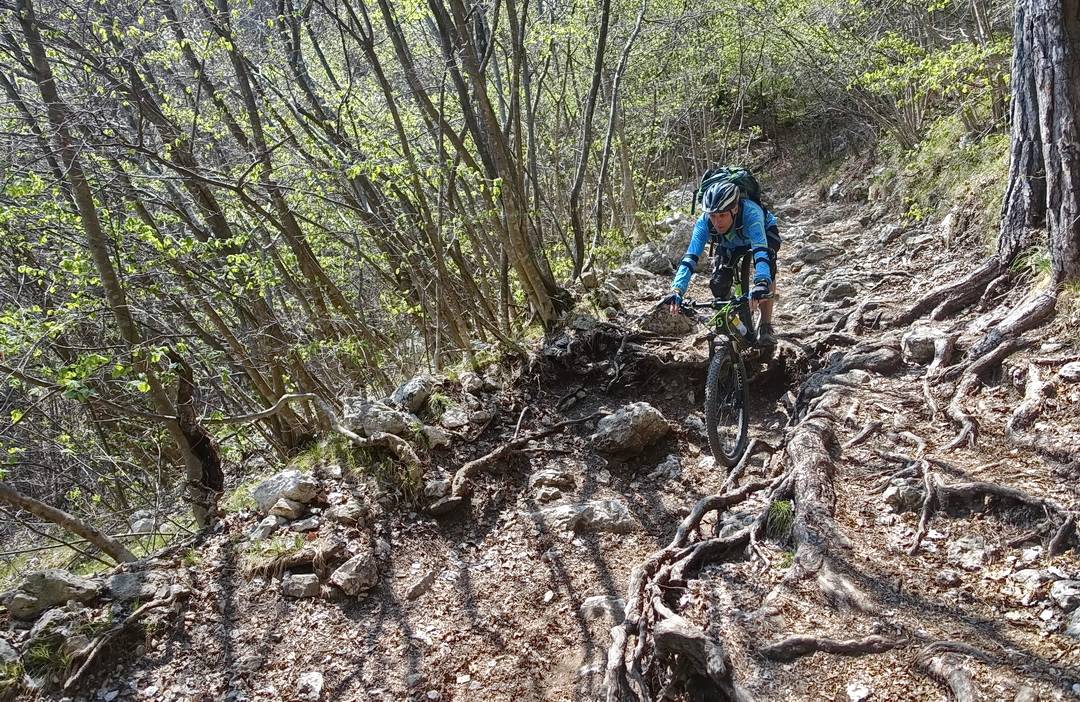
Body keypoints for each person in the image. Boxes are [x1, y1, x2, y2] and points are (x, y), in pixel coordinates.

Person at [662, 181, 780, 346]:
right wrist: (677, 289)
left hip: (763, 233)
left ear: (735, 209)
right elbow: (690, 257)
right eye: (713, 215)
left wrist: (761, 282)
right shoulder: (704, 222)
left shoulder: (751, 213)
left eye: (722, 215)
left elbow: (760, 251)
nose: (717, 222)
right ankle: (729, 323)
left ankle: (766, 327)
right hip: (729, 243)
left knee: (768, 267)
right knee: (718, 284)